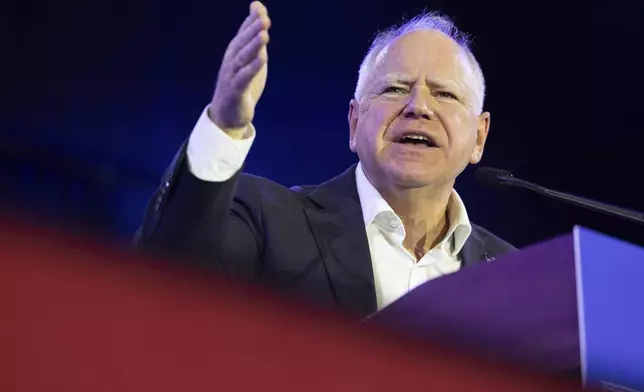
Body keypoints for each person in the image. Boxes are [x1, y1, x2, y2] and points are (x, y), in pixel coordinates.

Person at [133, 1, 516, 318]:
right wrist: (224, 125)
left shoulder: (515, 274)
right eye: (395, 88)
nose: (417, 107)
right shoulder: (267, 220)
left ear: (479, 137)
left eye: (445, 95)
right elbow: (164, 278)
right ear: (354, 123)